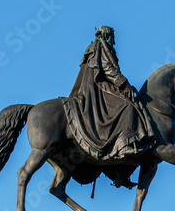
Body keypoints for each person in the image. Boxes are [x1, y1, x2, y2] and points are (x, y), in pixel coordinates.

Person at [66, 26, 155, 161]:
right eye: (112, 37)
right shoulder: (98, 46)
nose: (114, 42)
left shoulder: (103, 47)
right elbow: (107, 68)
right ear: (106, 35)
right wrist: (123, 83)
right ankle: (124, 145)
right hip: (98, 88)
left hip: (104, 85)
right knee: (127, 107)